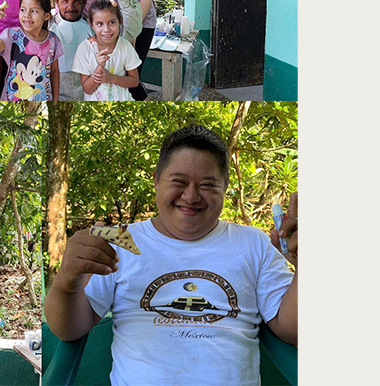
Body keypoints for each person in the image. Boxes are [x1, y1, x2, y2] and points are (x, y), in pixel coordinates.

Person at [44, 125, 298, 386]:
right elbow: (68, 328)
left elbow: (293, 330)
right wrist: (67, 281)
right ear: (156, 179)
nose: (190, 196)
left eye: (208, 185)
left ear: (225, 187)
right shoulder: (119, 241)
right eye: (178, 182)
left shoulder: (253, 243)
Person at [51, 0, 144, 100]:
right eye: (64, 1)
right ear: (57, 2)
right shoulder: (50, 26)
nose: (70, 7)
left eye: (76, 2)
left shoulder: (96, 29)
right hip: (62, 90)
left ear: (84, 2)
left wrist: (125, 1)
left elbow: (132, 29)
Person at [0, 0, 62, 101]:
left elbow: (55, 71)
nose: (27, 15)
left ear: (46, 16)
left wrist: (55, 99)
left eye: (34, 11)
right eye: (23, 10)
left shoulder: (53, 40)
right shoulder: (11, 35)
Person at [72, 0, 140, 101]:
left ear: (120, 21)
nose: (106, 30)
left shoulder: (125, 46)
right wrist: (100, 67)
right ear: (91, 24)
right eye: (100, 24)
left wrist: (112, 78)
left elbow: (134, 81)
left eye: (112, 22)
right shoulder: (85, 49)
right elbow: (87, 89)